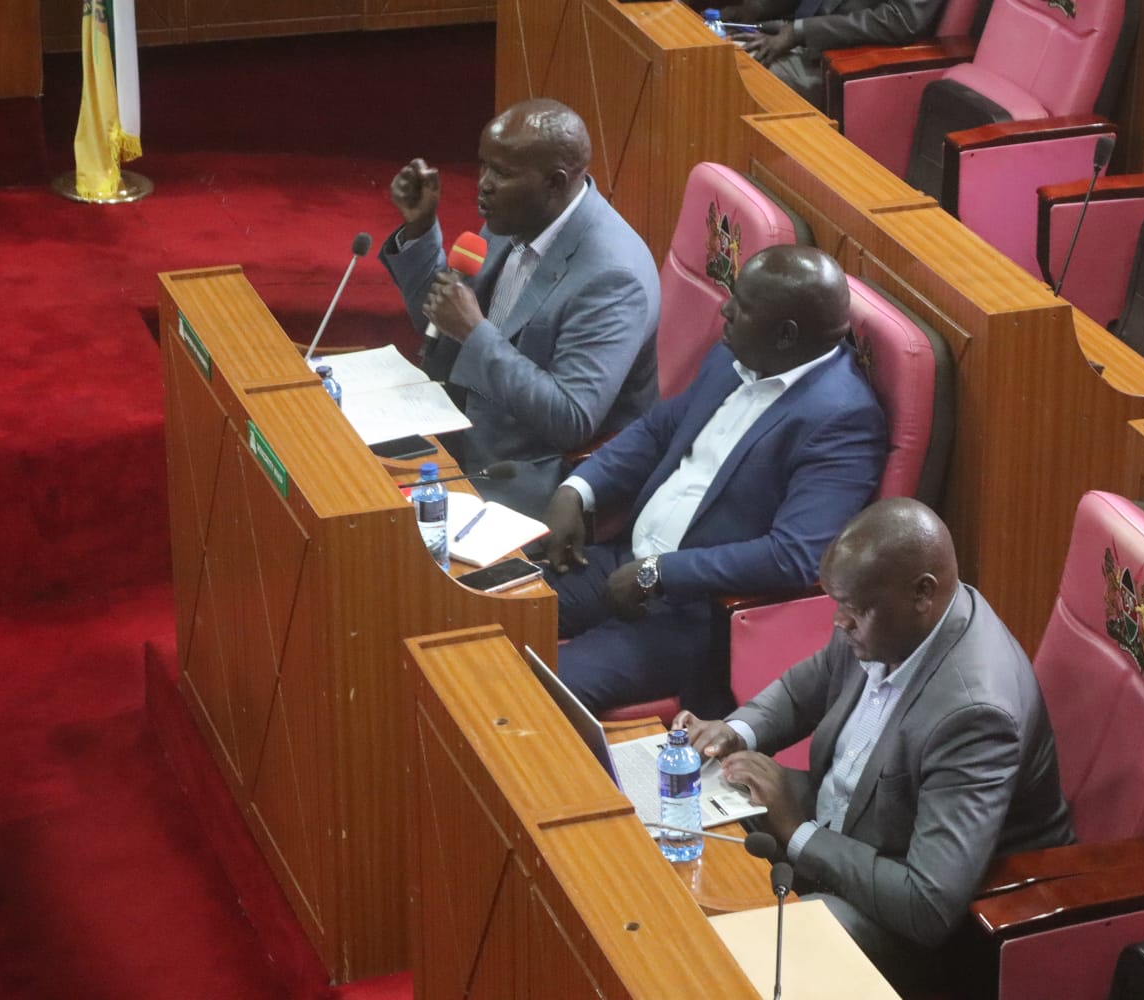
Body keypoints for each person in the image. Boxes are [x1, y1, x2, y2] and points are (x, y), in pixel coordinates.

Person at [677, 497, 1075, 990]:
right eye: (838, 603)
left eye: (855, 609)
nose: (839, 622)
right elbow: (804, 689)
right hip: (849, 822)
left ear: (922, 593)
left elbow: (927, 905)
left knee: (766, 953)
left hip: (915, 919)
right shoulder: (888, 620)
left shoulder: (974, 714)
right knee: (684, 808)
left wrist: (797, 832)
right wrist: (737, 732)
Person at [540, 245, 887, 717]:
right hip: (621, 561)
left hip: (690, 615)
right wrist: (578, 489)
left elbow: (792, 556)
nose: (725, 309)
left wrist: (660, 572)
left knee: (535, 689)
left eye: (742, 305)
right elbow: (658, 429)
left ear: (785, 335)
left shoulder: (842, 420)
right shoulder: (734, 356)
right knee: (481, 605)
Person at [379, 99, 661, 514]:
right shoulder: (518, 215)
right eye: (484, 166)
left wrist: (474, 332)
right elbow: (445, 325)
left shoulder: (613, 278)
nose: (484, 184)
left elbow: (571, 418)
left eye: (502, 173)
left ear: (554, 182)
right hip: (459, 421)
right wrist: (420, 230)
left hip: (528, 472)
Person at [725, 0, 948, 109]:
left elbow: (901, 21)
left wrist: (800, 32)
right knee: (717, 52)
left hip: (840, 55)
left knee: (737, 73)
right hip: (792, 29)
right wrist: (757, 7)